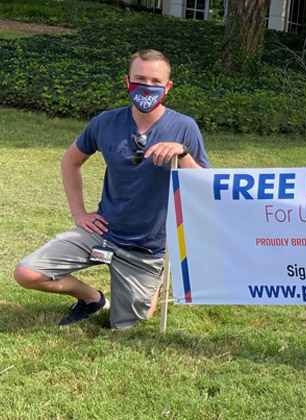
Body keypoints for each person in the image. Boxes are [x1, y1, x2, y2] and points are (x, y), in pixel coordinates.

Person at [13, 49, 211, 329]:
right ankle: (92, 299)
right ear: (127, 80)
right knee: (27, 273)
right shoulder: (105, 122)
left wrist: (183, 153)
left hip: (146, 246)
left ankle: (152, 283)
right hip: (102, 235)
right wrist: (79, 213)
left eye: (156, 81)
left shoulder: (184, 128)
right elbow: (70, 161)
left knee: (127, 324)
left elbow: (205, 184)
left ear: (168, 87)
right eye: (140, 78)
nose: (147, 86)